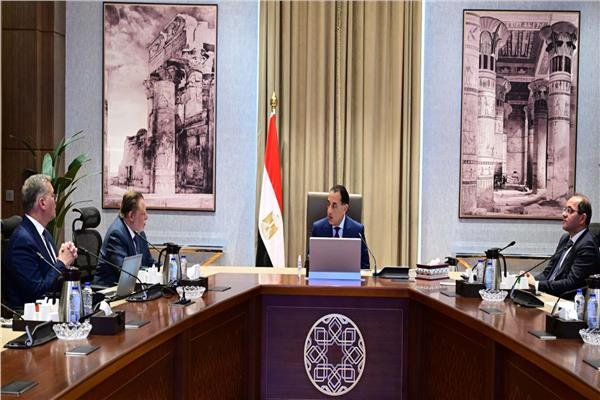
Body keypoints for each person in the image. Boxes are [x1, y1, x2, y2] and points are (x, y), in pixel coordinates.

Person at [4, 174, 78, 308]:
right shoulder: (21, 241)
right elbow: (37, 292)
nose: (56, 201)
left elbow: (51, 277)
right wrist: (61, 262)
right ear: (42, 202)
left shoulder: (44, 234)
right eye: (53, 196)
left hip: (53, 310)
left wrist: (67, 262)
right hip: (30, 317)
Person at [526, 194, 600, 296]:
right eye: (564, 210)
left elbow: (572, 283)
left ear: (582, 219)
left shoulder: (587, 245)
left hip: (568, 301)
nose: (564, 214)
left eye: (570, 211)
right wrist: (529, 281)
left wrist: (537, 285)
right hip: (550, 296)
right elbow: (548, 273)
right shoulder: (565, 239)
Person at [93, 190, 155, 286]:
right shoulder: (116, 234)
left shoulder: (139, 233)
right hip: (108, 289)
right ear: (131, 216)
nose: (147, 217)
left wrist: (162, 268)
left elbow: (148, 262)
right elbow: (125, 273)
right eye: (143, 213)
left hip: (129, 288)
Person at [311, 185, 370, 269]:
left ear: (345, 208)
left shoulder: (357, 230)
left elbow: (365, 266)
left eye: (334, 206)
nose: (329, 211)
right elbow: (310, 263)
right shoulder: (318, 229)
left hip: (349, 277)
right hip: (324, 277)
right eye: (328, 204)